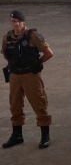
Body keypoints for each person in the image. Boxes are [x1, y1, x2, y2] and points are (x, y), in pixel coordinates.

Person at [2, 10, 53, 149]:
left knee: (39, 103)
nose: (16, 24)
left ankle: (45, 136)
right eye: (14, 21)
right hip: (14, 75)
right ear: (10, 22)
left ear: (23, 22)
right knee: (15, 105)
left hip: (30, 75)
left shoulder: (33, 35)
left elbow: (49, 53)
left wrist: (37, 63)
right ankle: (17, 135)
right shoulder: (7, 37)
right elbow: (6, 54)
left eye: (19, 21)